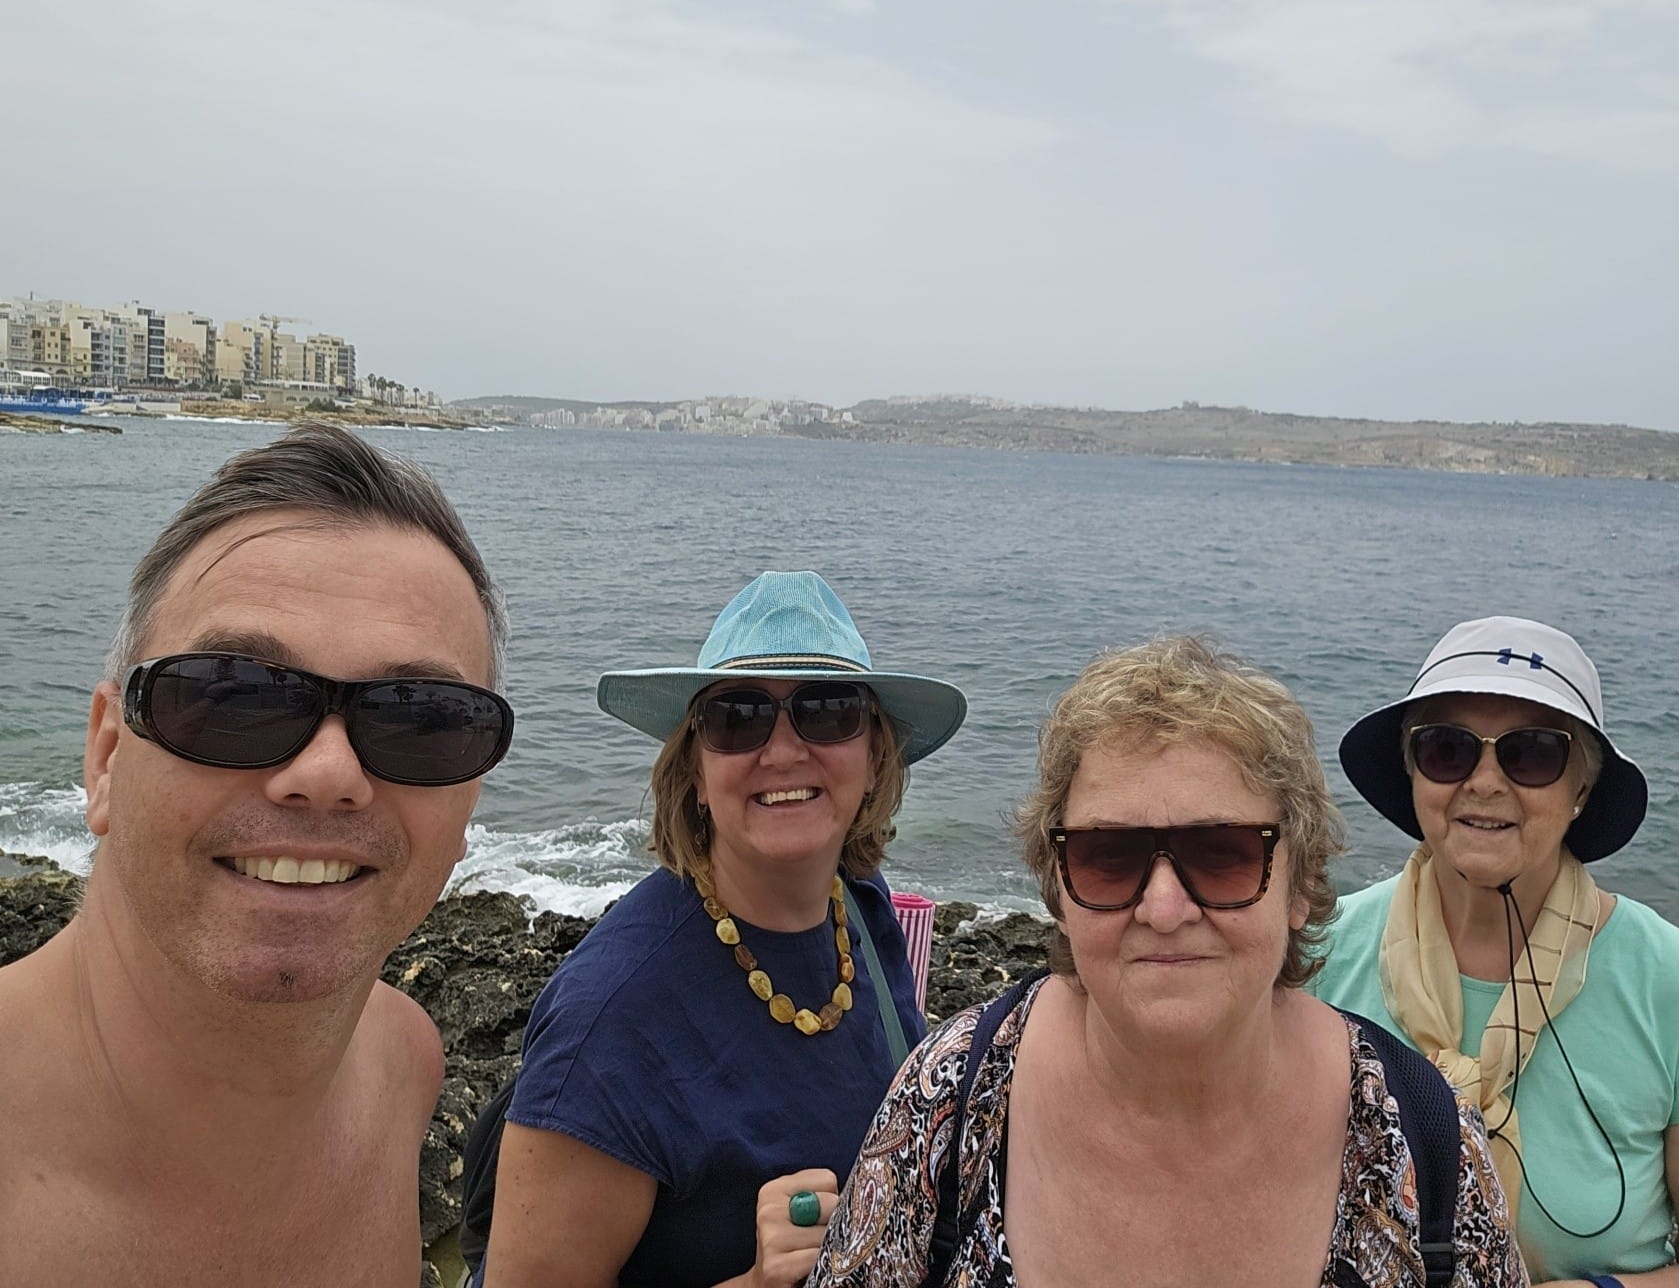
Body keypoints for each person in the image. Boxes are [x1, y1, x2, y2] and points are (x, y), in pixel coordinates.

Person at [809, 637, 1525, 1288]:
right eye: (1108, 857)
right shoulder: (950, 1101)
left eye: (1222, 854)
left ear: (1301, 886)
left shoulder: (1427, 1141)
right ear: (1059, 888)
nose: (1163, 908)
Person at [0, 422, 514, 1286]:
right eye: (233, 695)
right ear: (106, 757)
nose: (328, 774)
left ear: (469, 805)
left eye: (421, 718)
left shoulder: (402, 1064)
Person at [480, 571, 966, 1288]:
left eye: (828, 712)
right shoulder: (609, 1017)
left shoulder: (861, 909)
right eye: (738, 718)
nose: (783, 752)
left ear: (874, 758)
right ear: (696, 773)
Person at [1312, 616, 1679, 1288]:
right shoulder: (1319, 956)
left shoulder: (1676, 986)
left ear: (1582, 788)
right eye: (1447, 749)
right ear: (1412, 770)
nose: (1484, 782)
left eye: (1531, 754)